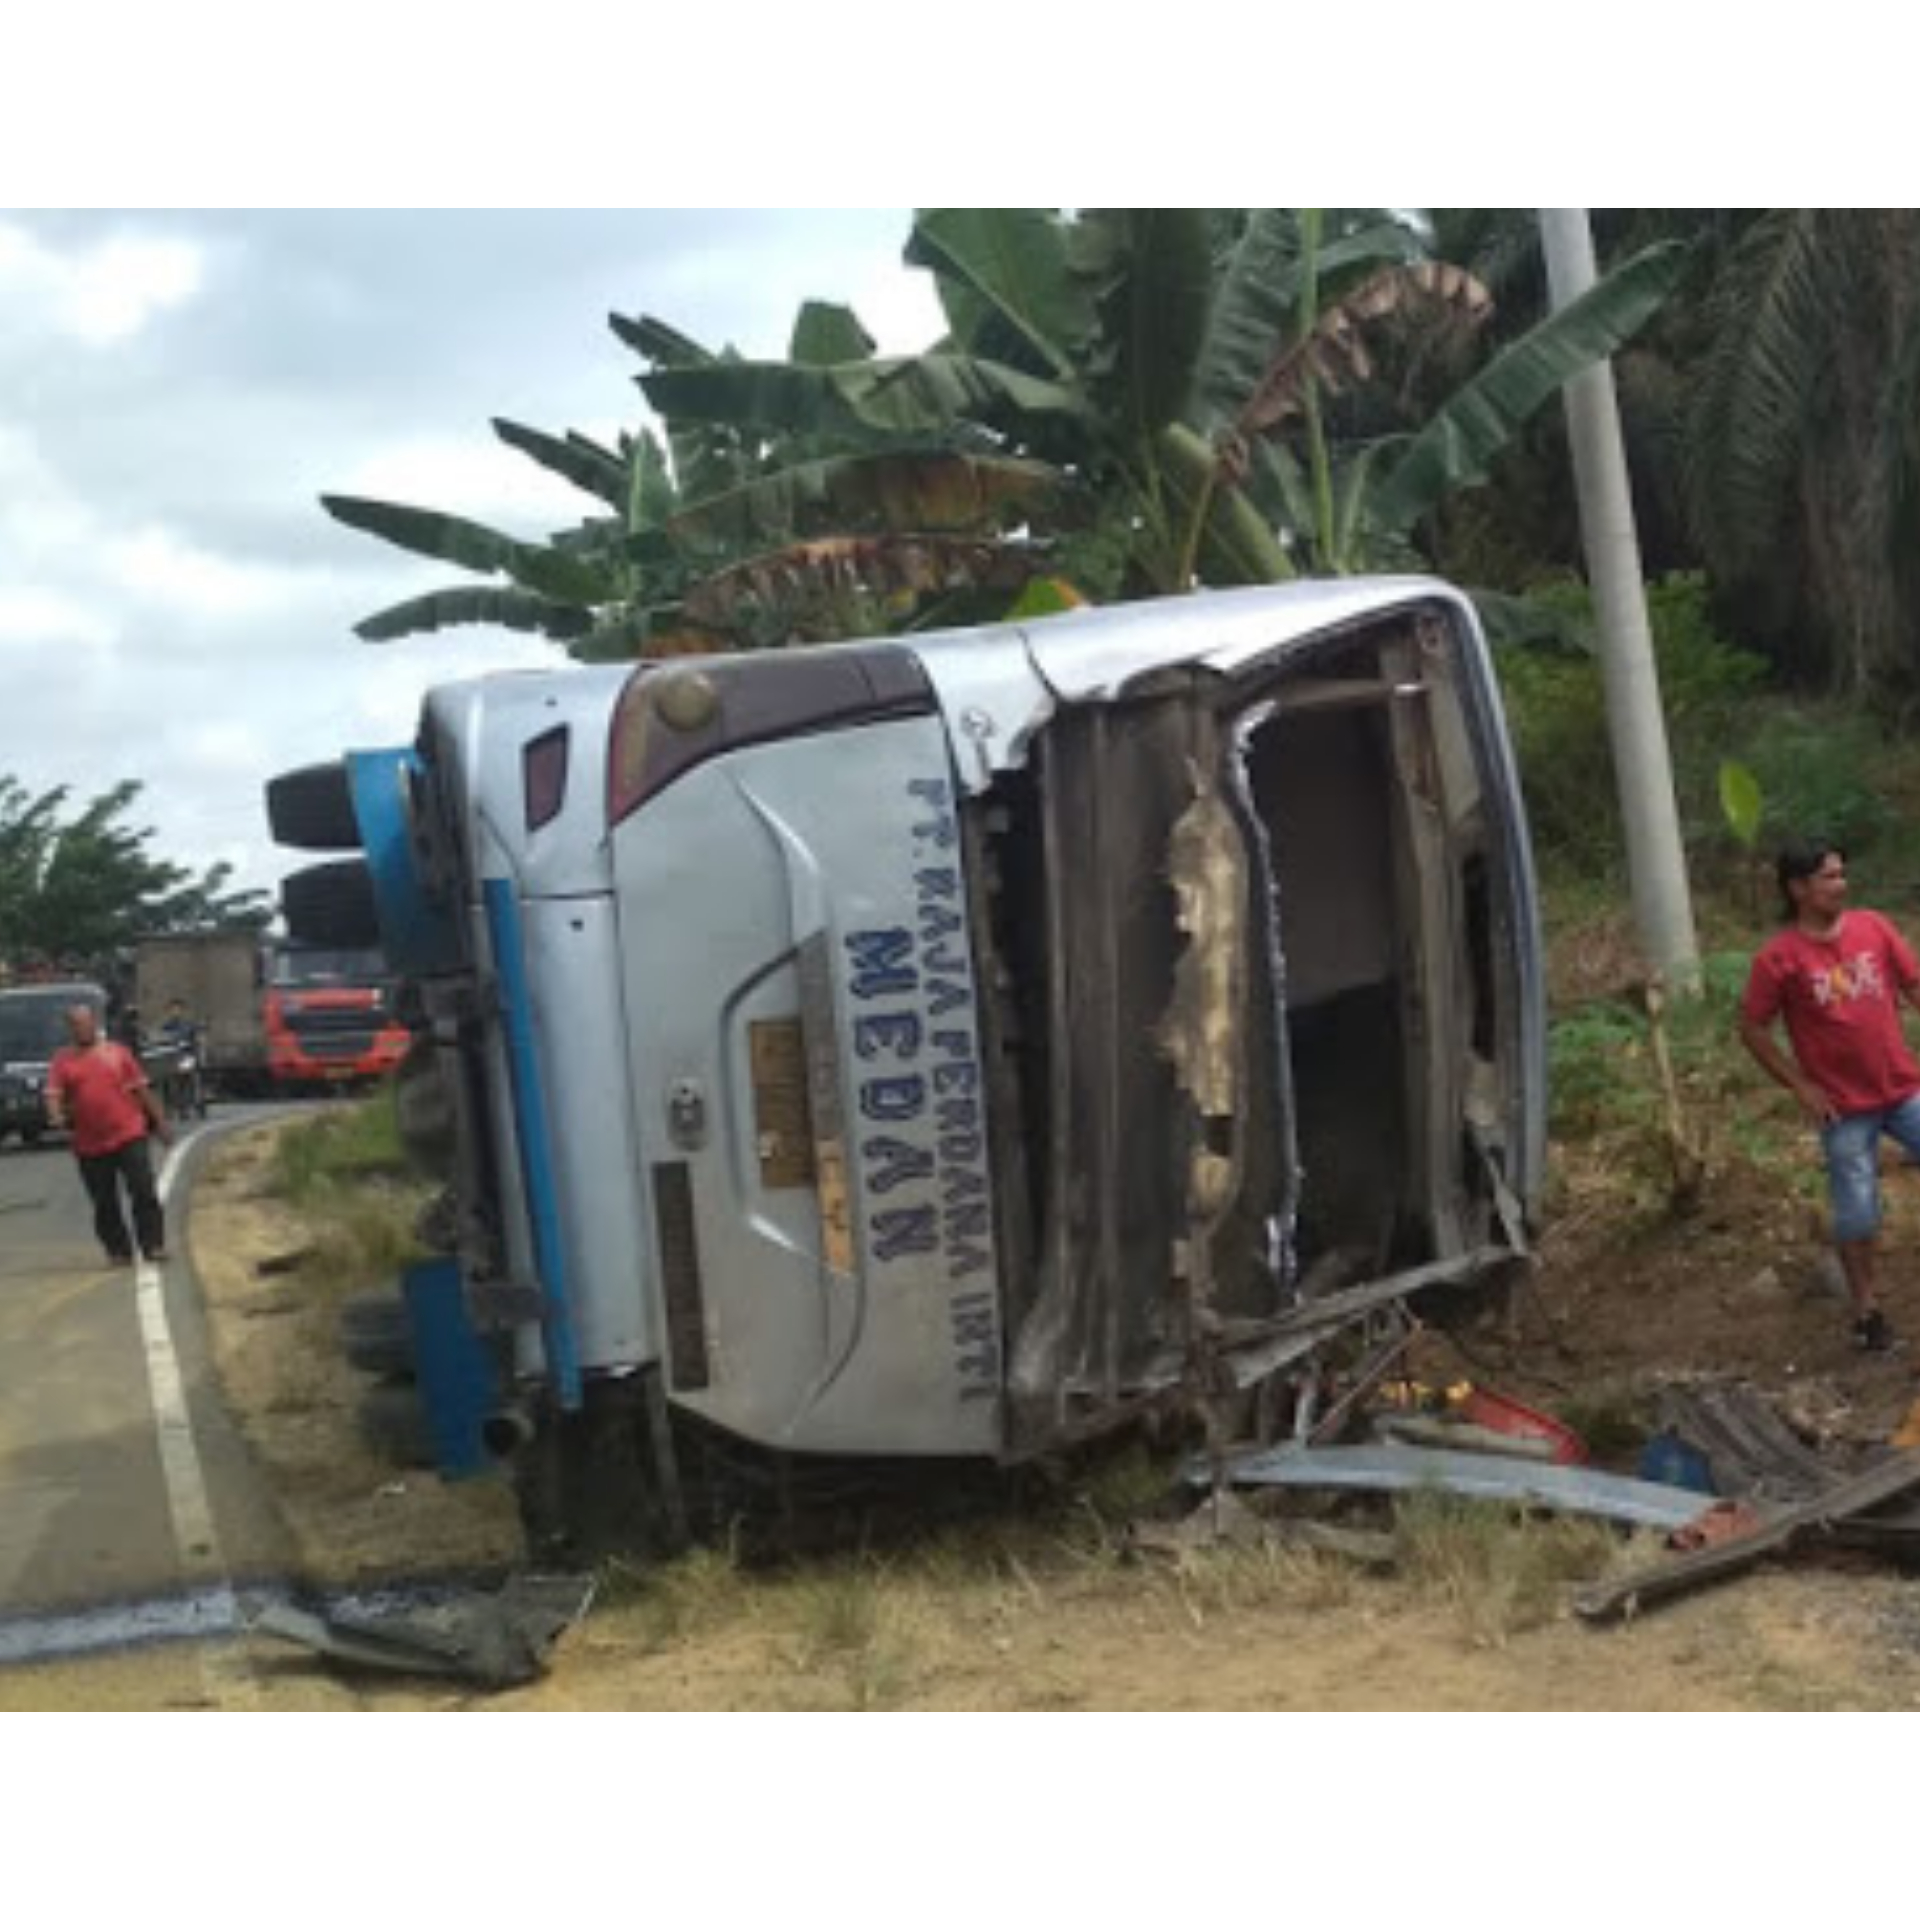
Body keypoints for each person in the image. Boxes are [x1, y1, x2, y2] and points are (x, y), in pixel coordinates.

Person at [1739, 839, 1920, 1353]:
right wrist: (1799, 1084)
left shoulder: (1874, 927)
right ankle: (1867, 1313)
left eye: (1842, 874)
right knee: (1858, 1213)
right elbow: (1752, 1028)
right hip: (1843, 1109)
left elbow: (1914, 985)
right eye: (1829, 877)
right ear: (1798, 888)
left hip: (1904, 1088)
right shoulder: (1779, 958)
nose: (1841, 885)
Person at [44, 1001, 173, 1266]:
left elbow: (142, 1090)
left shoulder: (118, 1054)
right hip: (90, 1143)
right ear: (70, 1029)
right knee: (104, 1201)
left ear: (95, 1024)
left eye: (86, 1023)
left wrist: (160, 1122)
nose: (82, 1029)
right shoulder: (62, 1061)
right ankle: (118, 1249)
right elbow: (53, 1093)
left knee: (142, 1189)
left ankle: (153, 1244)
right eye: (76, 1025)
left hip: (129, 1133)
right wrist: (56, 1114)